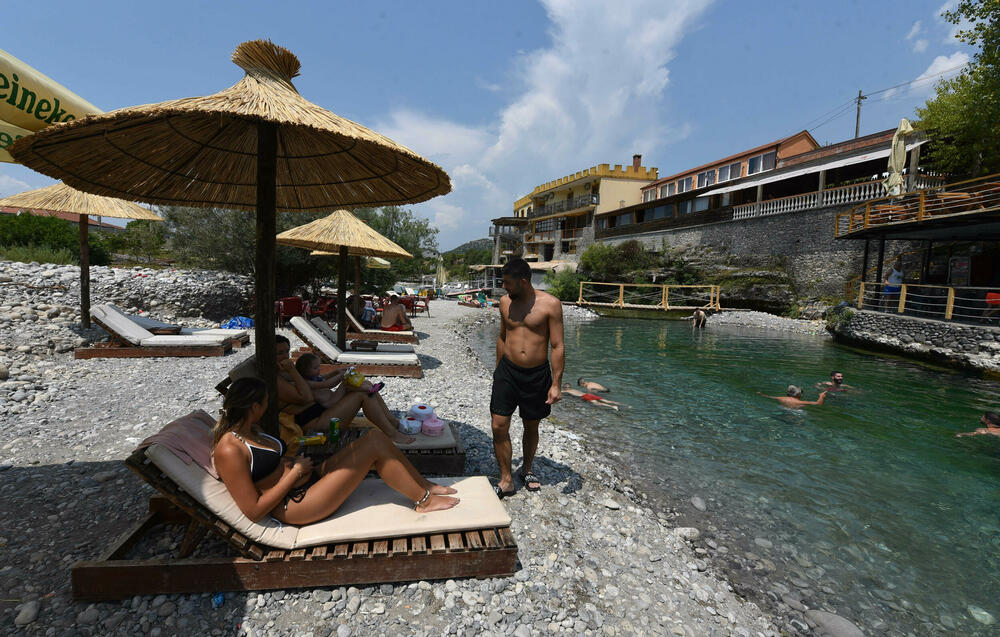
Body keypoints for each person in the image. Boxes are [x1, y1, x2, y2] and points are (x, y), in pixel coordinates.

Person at [212, 377, 458, 525]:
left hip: (307, 478)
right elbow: (254, 510)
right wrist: (294, 473)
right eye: (265, 402)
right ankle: (424, 502)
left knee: (375, 437)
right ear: (254, 406)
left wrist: (295, 465)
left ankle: (425, 486)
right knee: (372, 446)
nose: (268, 407)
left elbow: (270, 467)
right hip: (296, 503)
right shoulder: (230, 449)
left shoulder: (251, 431)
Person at [490, 258, 565, 497]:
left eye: (508, 282)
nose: (504, 287)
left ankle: (528, 468)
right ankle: (506, 479)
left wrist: (556, 384)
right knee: (498, 425)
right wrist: (497, 370)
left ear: (523, 281)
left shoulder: (550, 305)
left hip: (536, 375)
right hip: (507, 372)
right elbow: (503, 336)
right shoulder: (504, 303)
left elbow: (557, 345)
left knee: (531, 425)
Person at [275, 335, 413, 444]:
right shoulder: (277, 379)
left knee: (366, 385)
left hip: (323, 411)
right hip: (315, 425)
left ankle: (393, 423)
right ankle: (392, 434)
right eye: (280, 353)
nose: (286, 356)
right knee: (362, 395)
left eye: (286, 351)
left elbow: (317, 380)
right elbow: (307, 396)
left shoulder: (286, 371)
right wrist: (342, 379)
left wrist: (335, 373)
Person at [294, 353, 384, 409]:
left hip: (332, 397)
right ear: (304, 371)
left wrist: (336, 371)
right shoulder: (308, 383)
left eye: (319, 366)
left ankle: (369, 388)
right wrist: (340, 376)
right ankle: (369, 389)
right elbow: (327, 384)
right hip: (329, 402)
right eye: (315, 368)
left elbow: (327, 376)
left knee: (349, 386)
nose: (319, 369)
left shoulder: (315, 378)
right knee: (345, 385)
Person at [757, 385, 827, 408]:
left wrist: (761, 394)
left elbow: (768, 397)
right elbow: (818, 404)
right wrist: (821, 396)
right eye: (801, 393)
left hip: (783, 410)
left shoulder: (780, 398)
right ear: (798, 394)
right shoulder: (800, 402)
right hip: (796, 413)